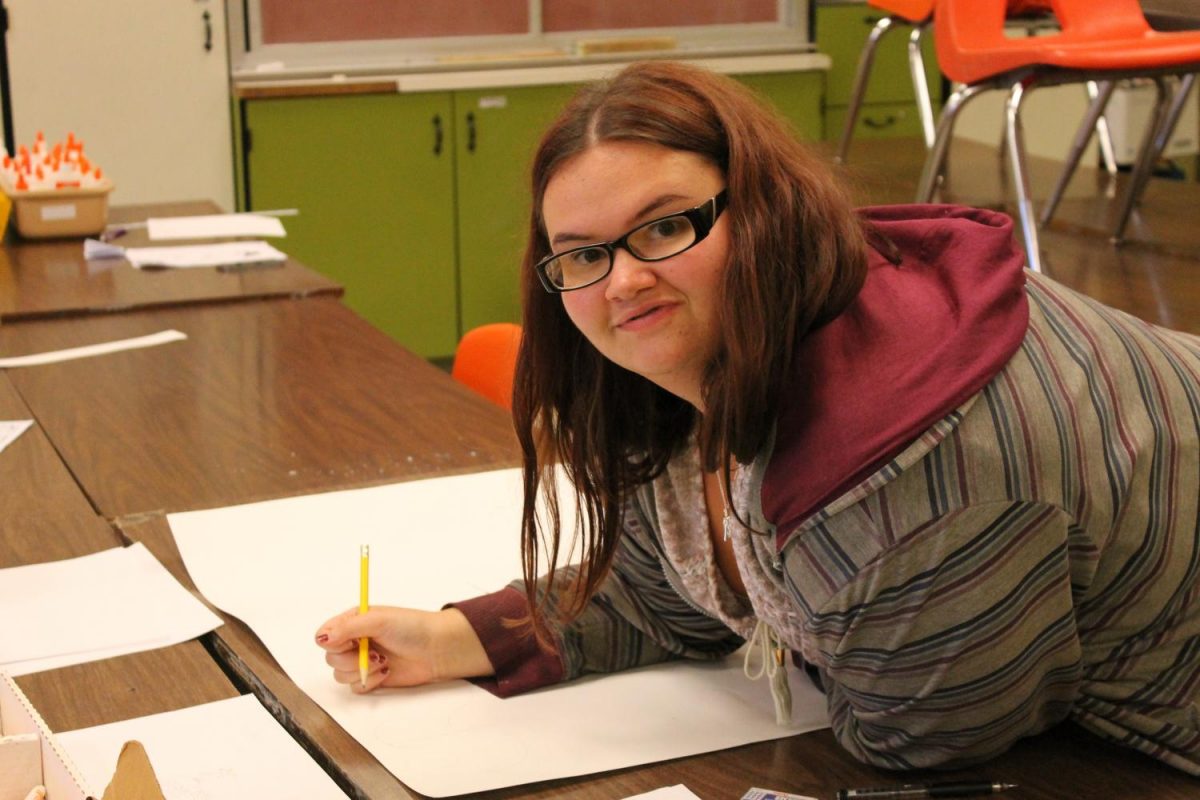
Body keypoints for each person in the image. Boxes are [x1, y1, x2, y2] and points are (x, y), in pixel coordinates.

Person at [315, 61, 1200, 774]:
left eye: (664, 228)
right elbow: (688, 587)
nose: (621, 280)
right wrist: (457, 637)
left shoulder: (917, 470)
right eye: (583, 254)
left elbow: (926, 737)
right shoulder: (723, 360)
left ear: (766, 205)